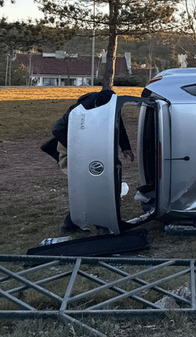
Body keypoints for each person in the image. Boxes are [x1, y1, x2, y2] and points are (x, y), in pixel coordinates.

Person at [44, 88, 134, 233]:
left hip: (91, 150)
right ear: (99, 104)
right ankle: (99, 226)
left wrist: (125, 147)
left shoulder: (109, 106)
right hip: (72, 152)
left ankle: (72, 223)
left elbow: (118, 122)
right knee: (92, 186)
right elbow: (57, 129)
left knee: (97, 185)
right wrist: (78, 148)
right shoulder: (81, 110)